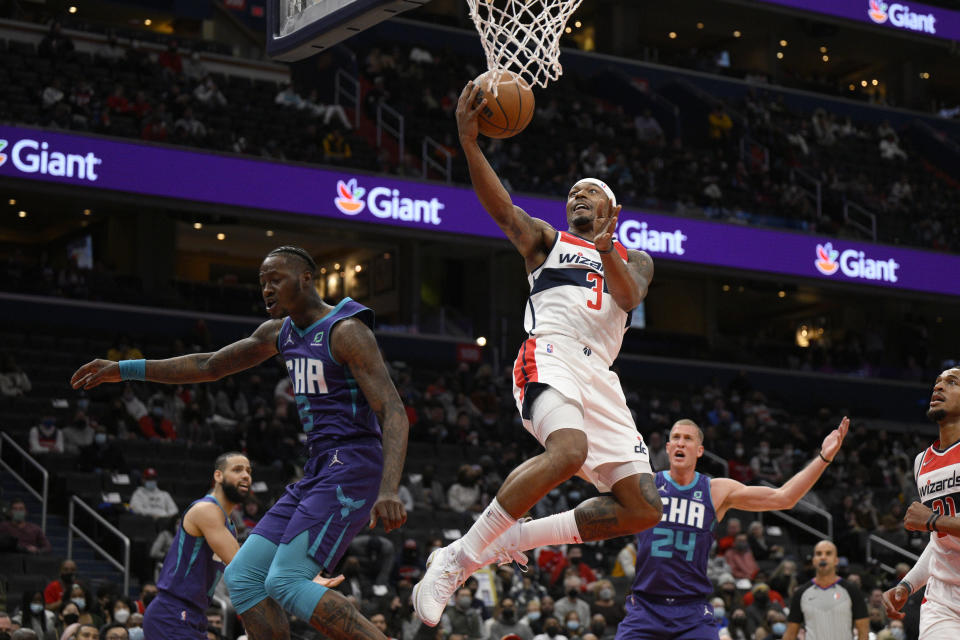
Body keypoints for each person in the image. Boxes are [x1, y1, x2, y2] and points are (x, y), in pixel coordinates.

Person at [414, 80, 662, 627]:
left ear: (611, 209)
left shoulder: (634, 258)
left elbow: (630, 296)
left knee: (644, 506)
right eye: (572, 191)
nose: (578, 196)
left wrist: (606, 253)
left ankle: (511, 537)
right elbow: (502, 209)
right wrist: (470, 142)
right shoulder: (547, 242)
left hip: (603, 376)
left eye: (589, 192)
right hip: (549, 353)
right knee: (569, 451)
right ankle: (457, 558)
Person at [71, 245, 409, 640]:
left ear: (305, 279)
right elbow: (209, 365)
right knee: (244, 578)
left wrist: (390, 488)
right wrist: (125, 369)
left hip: (353, 464)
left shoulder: (347, 330)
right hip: (319, 465)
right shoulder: (279, 333)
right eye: (262, 283)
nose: (266, 290)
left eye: (275, 280)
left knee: (286, 581)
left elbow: (393, 412)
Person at [616, 417, 849, 639]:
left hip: (692, 611)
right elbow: (596, 478)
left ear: (699, 450)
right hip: (646, 607)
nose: (680, 442)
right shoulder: (647, 485)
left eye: (688, 438)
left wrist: (823, 458)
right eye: (676, 437)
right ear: (667, 448)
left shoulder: (715, 490)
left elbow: (784, 498)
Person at [882, 367, 960, 638]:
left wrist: (932, 520)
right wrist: (907, 584)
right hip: (943, 602)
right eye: (937, 382)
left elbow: (935, 525)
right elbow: (940, 542)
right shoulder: (921, 462)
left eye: (952, 382)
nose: (938, 387)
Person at [138, 452, 249, 639]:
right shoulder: (206, 510)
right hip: (172, 612)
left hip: (194, 614)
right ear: (218, 476)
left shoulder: (229, 526)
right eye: (237, 469)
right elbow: (242, 567)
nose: (246, 475)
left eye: (248, 471)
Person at [782, 540, 869, 640]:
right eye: (819, 554)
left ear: (836, 560)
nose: (823, 557)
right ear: (814, 560)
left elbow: (863, 633)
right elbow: (790, 634)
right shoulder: (801, 593)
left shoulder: (852, 591)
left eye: (828, 553)